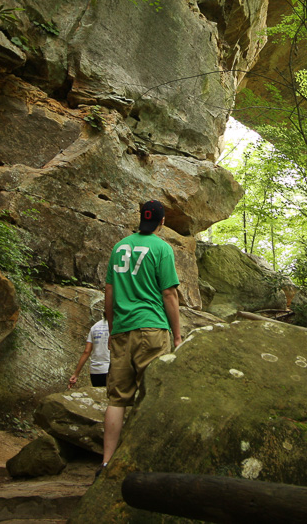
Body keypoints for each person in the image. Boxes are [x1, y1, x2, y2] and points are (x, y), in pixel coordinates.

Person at [100, 200, 182, 471]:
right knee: (154, 395)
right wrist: (177, 335)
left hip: (122, 329)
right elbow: (169, 293)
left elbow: (109, 292)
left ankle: (107, 462)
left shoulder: (119, 247)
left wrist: (112, 329)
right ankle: (148, 463)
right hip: (152, 329)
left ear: (141, 218)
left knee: (117, 399)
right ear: (162, 222)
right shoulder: (162, 248)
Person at [68, 317, 110, 389]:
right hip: (112, 369)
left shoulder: (95, 327)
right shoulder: (118, 326)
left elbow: (86, 351)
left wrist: (76, 374)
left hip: (95, 371)